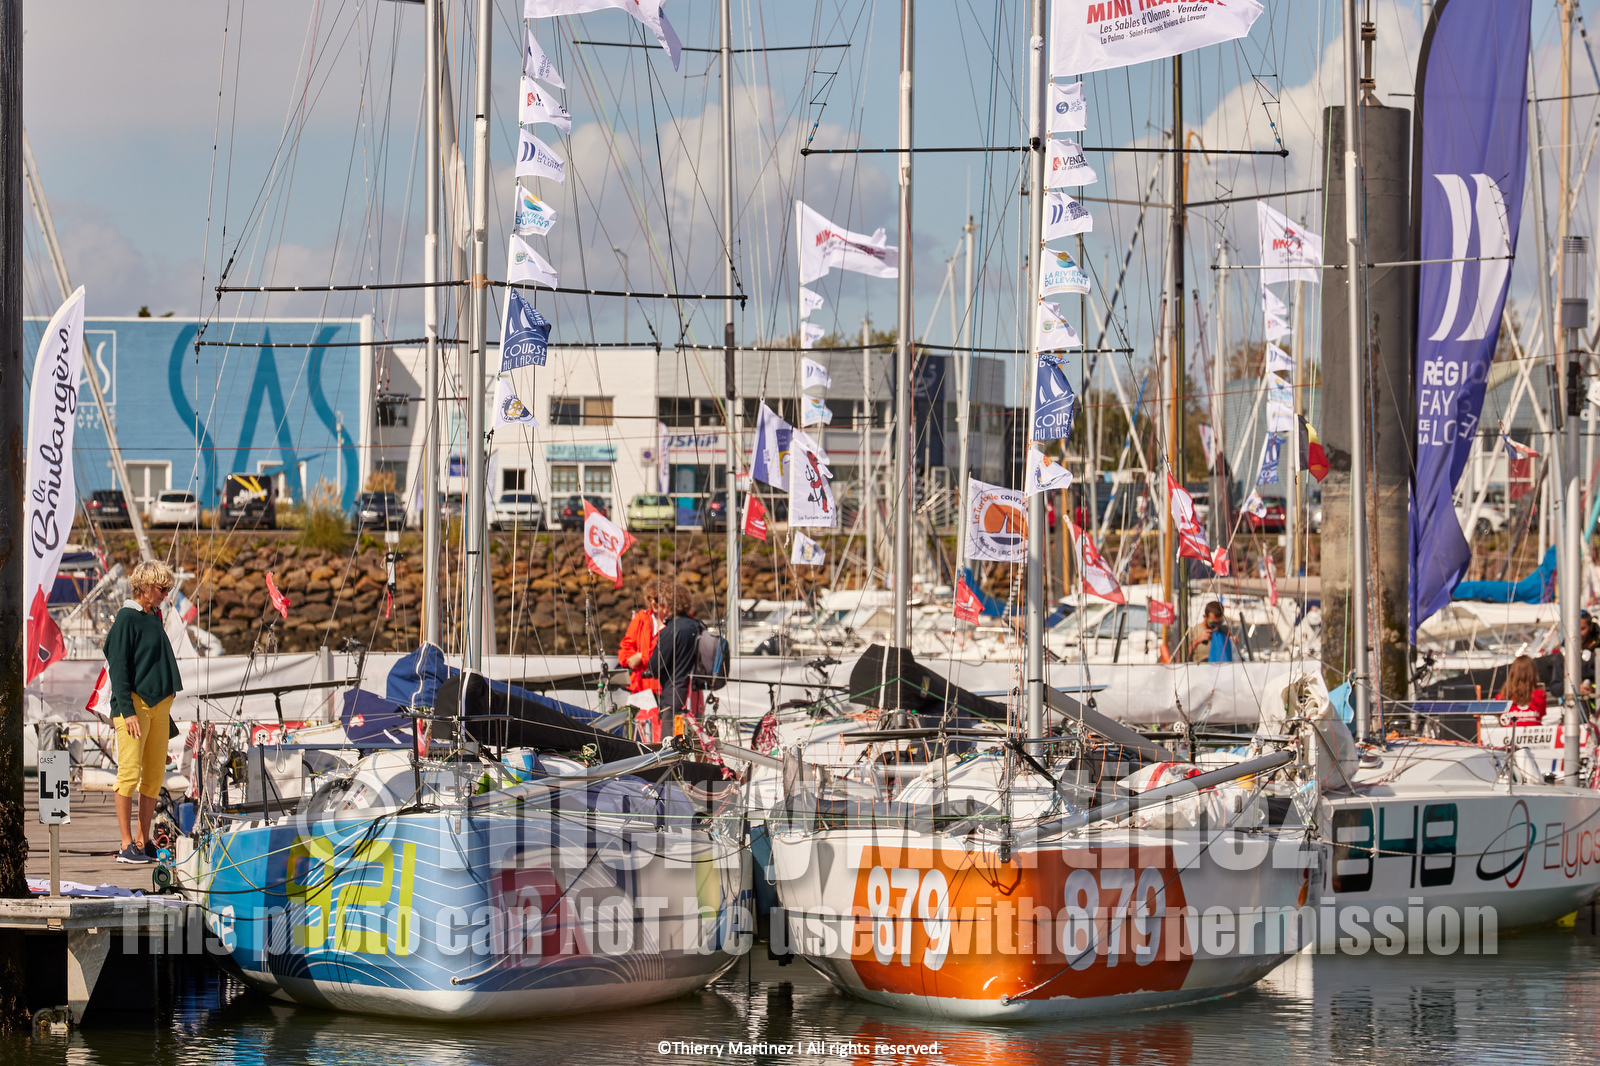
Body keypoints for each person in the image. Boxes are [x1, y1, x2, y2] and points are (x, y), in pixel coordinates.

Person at [105, 560, 183, 864]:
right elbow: (118, 667)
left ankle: (143, 840)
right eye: (161, 588)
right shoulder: (126, 618)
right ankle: (126, 844)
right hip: (135, 706)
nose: (165, 593)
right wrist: (127, 711)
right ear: (144, 587)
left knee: (153, 777)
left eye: (167, 588)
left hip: (160, 706)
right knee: (128, 774)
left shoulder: (154, 615)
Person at [645, 580, 702, 740]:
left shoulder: (670, 631)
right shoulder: (698, 625)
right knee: (695, 742)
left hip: (674, 696)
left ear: (667, 605)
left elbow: (655, 665)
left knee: (671, 743)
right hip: (696, 694)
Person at [618, 581, 666, 741]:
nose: (654, 602)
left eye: (658, 598)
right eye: (651, 598)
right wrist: (633, 657)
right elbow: (625, 648)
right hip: (641, 687)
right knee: (639, 735)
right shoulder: (641, 618)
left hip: (664, 687)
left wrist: (641, 656)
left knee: (662, 734)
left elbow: (662, 654)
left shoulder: (674, 622)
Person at [1497, 654, 1546, 727]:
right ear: (1533, 673)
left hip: (1509, 736)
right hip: (1534, 735)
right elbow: (1540, 716)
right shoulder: (1539, 695)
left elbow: (1501, 720)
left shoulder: (1502, 696)